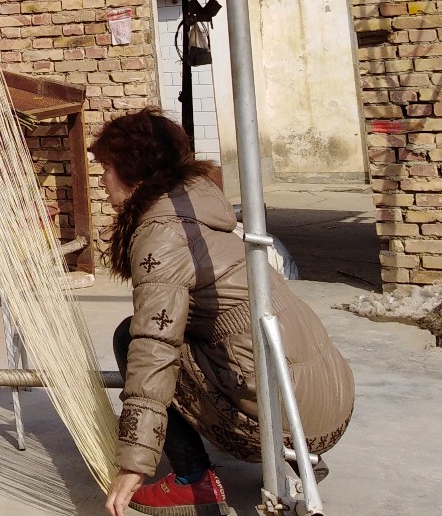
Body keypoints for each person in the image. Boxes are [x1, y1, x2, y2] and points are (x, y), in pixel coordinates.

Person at [89, 108, 354, 516]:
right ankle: (294, 459)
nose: (102, 181)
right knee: (219, 331)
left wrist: (133, 464)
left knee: (132, 337)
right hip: (328, 402)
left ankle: (192, 480)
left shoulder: (161, 232)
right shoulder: (198, 211)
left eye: (106, 168)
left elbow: (153, 346)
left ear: (132, 169)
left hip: (286, 415)